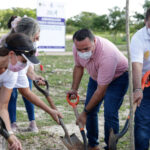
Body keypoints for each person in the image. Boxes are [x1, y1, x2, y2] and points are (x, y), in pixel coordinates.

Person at [67, 29, 129, 150]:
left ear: (94, 41)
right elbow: (79, 66)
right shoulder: (78, 47)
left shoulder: (107, 54)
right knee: (91, 110)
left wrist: (83, 113)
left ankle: (110, 147)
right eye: (79, 49)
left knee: (110, 112)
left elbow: (100, 91)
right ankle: (93, 145)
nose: (82, 52)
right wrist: (74, 89)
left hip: (119, 78)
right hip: (96, 76)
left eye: (86, 49)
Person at [0, 32, 40, 150]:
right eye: (23, 61)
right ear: (11, 54)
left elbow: (2, 107)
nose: (24, 66)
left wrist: (10, 135)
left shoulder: (12, 73)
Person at [7, 17, 41, 132]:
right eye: (37, 33)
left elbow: (29, 63)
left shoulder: (33, 43)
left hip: (23, 72)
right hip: (11, 72)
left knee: (28, 95)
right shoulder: (10, 42)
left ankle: (32, 122)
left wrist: (34, 75)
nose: (38, 37)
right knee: (11, 96)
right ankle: (11, 124)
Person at [130, 8, 150, 150]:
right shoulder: (139, 37)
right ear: (145, 20)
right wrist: (137, 89)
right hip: (144, 83)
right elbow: (136, 64)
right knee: (142, 122)